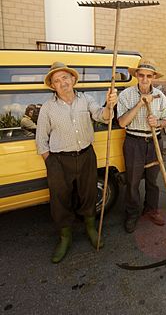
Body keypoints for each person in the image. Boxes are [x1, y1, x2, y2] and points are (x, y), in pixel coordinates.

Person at [35, 61, 117, 263]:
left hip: (86, 156)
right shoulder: (47, 107)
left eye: (64, 77)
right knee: (60, 200)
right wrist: (51, 162)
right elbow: (40, 139)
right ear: (52, 86)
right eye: (56, 80)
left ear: (72, 79)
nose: (62, 82)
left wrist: (109, 104)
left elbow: (102, 116)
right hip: (59, 161)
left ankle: (90, 229)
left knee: (89, 194)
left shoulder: (86, 99)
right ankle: (65, 238)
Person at [117, 59, 166, 233]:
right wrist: (140, 103)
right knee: (132, 181)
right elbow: (123, 122)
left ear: (153, 77)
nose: (145, 79)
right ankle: (132, 214)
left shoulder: (160, 96)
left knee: (152, 180)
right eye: (141, 75)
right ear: (136, 76)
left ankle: (151, 210)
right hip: (134, 142)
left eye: (149, 76)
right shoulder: (126, 94)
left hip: (154, 140)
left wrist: (158, 122)